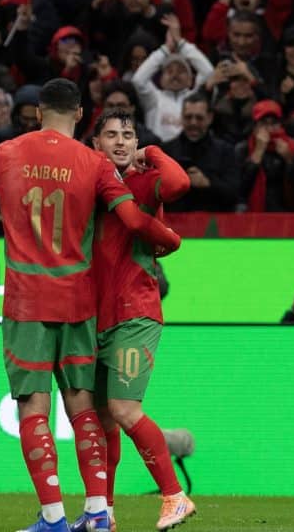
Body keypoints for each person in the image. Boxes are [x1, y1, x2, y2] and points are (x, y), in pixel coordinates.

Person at [0, 78, 181, 532]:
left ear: (37, 112)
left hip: (27, 301)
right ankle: (97, 511)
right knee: (83, 407)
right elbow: (133, 217)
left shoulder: (8, 153)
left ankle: (53, 517)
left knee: (33, 408)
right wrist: (170, 240)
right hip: (79, 301)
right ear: (78, 115)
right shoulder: (95, 164)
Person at [84, 109, 195, 532]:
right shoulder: (88, 186)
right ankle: (104, 512)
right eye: (110, 135)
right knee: (102, 418)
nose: (120, 142)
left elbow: (181, 184)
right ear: (95, 143)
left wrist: (153, 150)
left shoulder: (146, 182)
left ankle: (174, 496)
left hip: (136, 313)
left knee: (124, 408)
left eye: (128, 135)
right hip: (92, 318)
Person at [131, 14, 213, 142]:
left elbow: (208, 72)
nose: (175, 75)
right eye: (169, 71)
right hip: (158, 157)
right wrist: (166, 49)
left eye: (181, 71)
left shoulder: (195, 97)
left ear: (191, 79)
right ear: (161, 79)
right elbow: (138, 80)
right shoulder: (153, 99)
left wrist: (180, 42)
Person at [162, 93, 240, 212]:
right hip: (175, 223)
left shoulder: (226, 151)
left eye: (199, 118)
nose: (193, 123)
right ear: (182, 117)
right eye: (188, 117)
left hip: (215, 225)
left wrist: (209, 184)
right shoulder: (166, 150)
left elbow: (235, 193)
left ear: (210, 118)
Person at [238, 99, 294, 212]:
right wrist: (258, 151)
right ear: (255, 127)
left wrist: (289, 158)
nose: (269, 129)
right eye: (264, 123)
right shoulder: (243, 149)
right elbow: (241, 190)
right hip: (254, 213)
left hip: (285, 213)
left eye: (274, 123)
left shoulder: (292, 146)